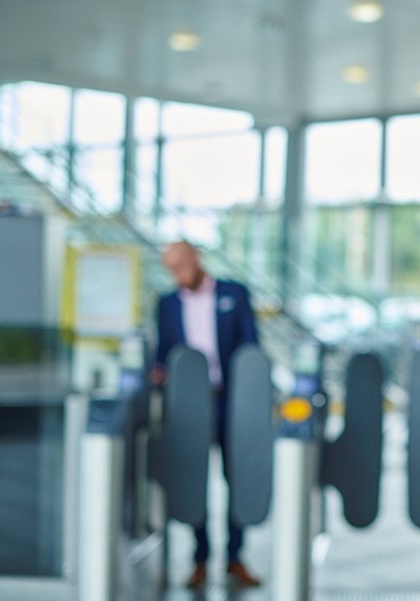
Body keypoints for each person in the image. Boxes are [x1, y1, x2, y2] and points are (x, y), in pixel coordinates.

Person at [152, 241, 262, 589]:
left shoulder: (235, 294)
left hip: (231, 399)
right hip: (190, 404)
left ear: (196, 258)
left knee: (237, 476)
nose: (178, 274)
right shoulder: (167, 305)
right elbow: (163, 353)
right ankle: (199, 558)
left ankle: (235, 557)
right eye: (171, 269)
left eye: (181, 265)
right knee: (192, 478)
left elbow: (250, 346)